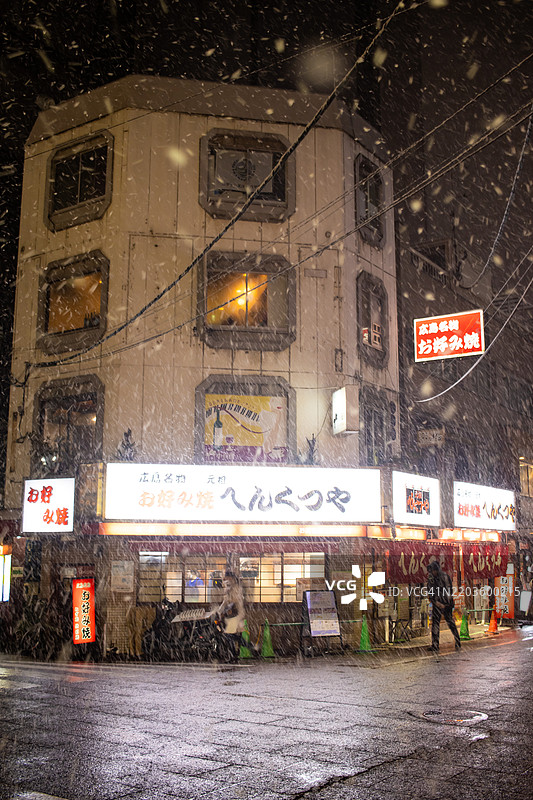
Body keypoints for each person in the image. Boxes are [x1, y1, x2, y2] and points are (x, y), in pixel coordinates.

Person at [427, 560, 461, 652]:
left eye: (433, 570)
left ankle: (455, 641)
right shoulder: (438, 577)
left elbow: (447, 591)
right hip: (441, 603)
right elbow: (432, 591)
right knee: (441, 623)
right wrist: (438, 602)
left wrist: (443, 604)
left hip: (443, 603)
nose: (432, 572)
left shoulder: (441, 577)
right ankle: (436, 644)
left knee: (444, 623)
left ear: (436, 570)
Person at [216, 571, 246, 662]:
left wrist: (221, 610)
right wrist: (219, 611)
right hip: (233, 616)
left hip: (235, 616)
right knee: (231, 637)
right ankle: (234, 655)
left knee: (230, 636)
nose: (226, 579)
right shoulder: (231, 586)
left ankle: (234, 654)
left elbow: (232, 600)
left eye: (227, 577)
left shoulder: (235, 587)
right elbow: (226, 601)